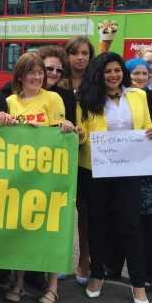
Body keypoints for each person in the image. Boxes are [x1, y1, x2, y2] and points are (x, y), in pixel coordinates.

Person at [76, 52, 152, 303]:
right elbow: (83, 137)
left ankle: (138, 283)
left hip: (129, 169)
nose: (113, 75)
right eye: (107, 71)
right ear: (98, 74)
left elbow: (149, 126)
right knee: (98, 223)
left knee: (130, 224)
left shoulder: (137, 95)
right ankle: (97, 275)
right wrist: (80, 134)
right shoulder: (86, 98)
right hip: (96, 169)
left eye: (117, 70)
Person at [4, 53, 81, 303]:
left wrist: (68, 129)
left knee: (51, 232)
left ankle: (53, 288)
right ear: (20, 76)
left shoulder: (53, 98)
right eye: (31, 73)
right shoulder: (10, 101)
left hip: (49, 177)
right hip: (20, 177)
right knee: (20, 230)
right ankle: (18, 283)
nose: (37, 77)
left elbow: (60, 135)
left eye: (40, 72)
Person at [104, 58, 152, 289]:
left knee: (142, 225)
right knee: (116, 220)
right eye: (136, 74)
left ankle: (143, 275)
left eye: (145, 73)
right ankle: (112, 266)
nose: (141, 77)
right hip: (117, 167)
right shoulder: (113, 97)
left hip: (145, 169)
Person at [61, 36, 95, 284]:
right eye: (75, 53)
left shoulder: (96, 84)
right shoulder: (56, 81)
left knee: (84, 212)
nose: (80, 57)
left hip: (85, 156)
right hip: (59, 156)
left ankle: (84, 262)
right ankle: (60, 260)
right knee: (61, 212)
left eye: (85, 53)